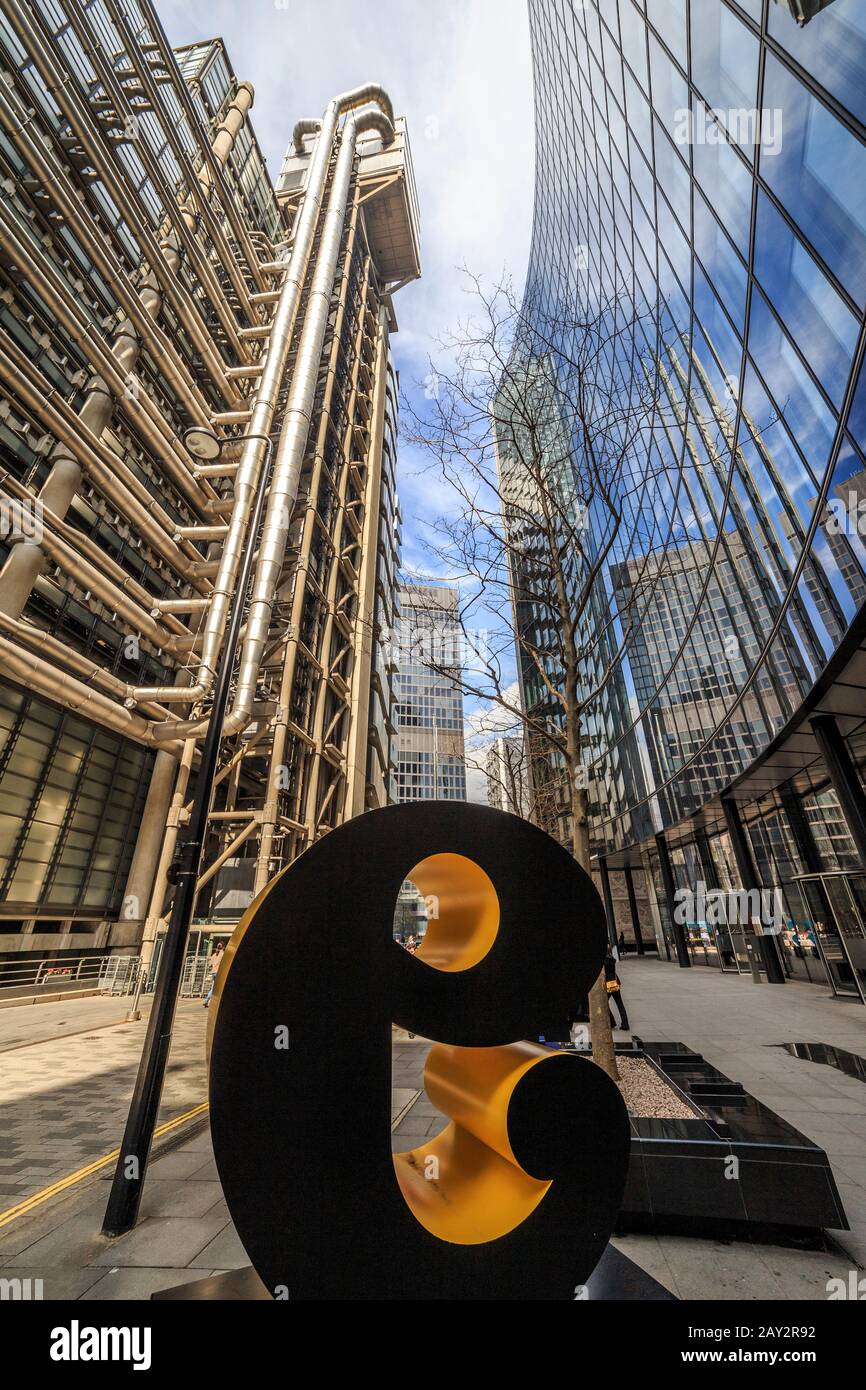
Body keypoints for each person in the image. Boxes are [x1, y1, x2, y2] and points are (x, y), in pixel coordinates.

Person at [604, 947, 629, 1031]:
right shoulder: (612, 959)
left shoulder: (605, 961)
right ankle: (625, 1023)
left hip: (609, 984)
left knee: (604, 1003)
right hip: (615, 982)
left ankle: (612, 1022)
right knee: (619, 1003)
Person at [203, 941, 226, 1008]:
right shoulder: (223, 954)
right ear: (223, 947)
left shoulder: (214, 954)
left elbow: (209, 964)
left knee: (214, 987)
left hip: (213, 972)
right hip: (219, 973)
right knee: (215, 988)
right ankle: (206, 1000)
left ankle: (208, 1001)